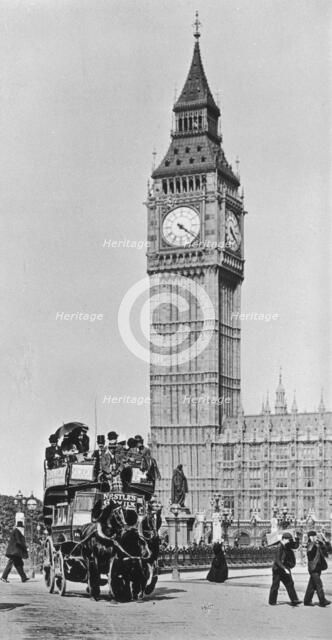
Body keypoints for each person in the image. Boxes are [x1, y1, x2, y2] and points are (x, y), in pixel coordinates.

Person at [268, 531, 301, 606]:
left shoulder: (286, 546)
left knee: (290, 583)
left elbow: (295, 546)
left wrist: (296, 538)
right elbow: (277, 560)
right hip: (277, 569)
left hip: (283, 568)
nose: (289, 541)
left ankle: (294, 600)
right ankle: (272, 601)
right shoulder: (279, 547)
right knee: (275, 585)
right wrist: (284, 569)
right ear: (283, 539)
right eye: (288, 539)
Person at [303, 530, 331, 607]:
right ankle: (322, 601)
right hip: (313, 569)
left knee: (311, 586)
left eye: (316, 536)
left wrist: (324, 542)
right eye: (314, 536)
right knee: (319, 585)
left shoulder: (317, 545)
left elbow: (328, 551)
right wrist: (313, 542)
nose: (316, 537)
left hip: (318, 568)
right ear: (311, 537)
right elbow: (310, 553)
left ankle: (307, 601)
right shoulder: (310, 545)